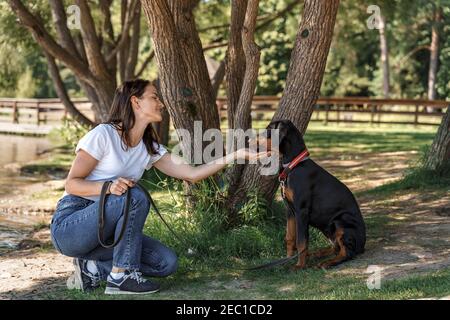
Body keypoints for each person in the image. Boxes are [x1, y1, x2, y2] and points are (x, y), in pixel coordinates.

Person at [50, 79, 268, 295]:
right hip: (72, 225)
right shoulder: (104, 135)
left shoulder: (149, 148)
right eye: (154, 97)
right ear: (135, 102)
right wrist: (107, 187)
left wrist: (236, 155)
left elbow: (191, 174)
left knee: (166, 263)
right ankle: (121, 276)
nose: (161, 103)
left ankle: (92, 269)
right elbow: (71, 184)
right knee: (133, 195)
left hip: (105, 235)